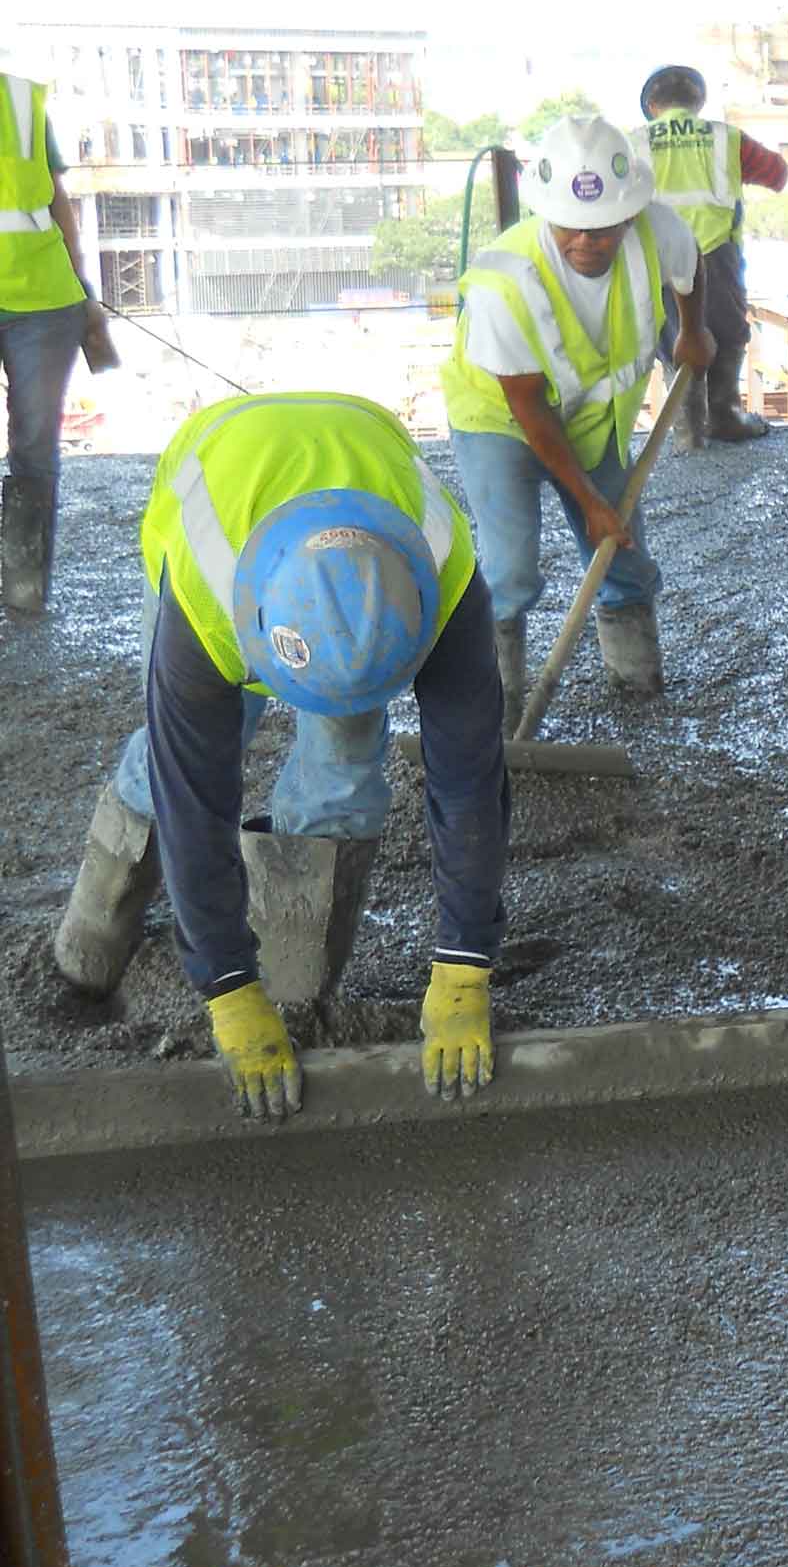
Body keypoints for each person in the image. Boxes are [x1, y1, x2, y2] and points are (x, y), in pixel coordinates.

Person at [51, 391, 510, 1118]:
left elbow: (469, 784)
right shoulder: (201, 598)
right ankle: (93, 936)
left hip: (360, 483)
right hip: (226, 480)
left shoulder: (445, 580)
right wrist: (228, 988)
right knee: (172, 761)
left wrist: (466, 962)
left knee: (346, 770)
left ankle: (297, 990)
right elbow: (196, 799)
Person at [440, 115, 710, 726]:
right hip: (500, 422)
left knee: (622, 549)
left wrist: (694, 332)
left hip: (592, 419)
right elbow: (530, 410)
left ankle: (636, 681)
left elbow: (691, 267)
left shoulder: (654, 229)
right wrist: (589, 501)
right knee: (510, 567)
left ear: (626, 214)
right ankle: (498, 704)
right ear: (544, 212)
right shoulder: (501, 285)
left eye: (602, 229)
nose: (586, 242)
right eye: (571, 228)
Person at [635, 63, 788, 445]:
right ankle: (723, 416)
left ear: (653, 105)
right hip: (716, 251)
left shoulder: (635, 143)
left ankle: (688, 431)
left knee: (672, 334)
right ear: (698, 101)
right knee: (726, 331)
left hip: (658, 256)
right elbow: (777, 174)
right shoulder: (727, 139)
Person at [2, 69, 111, 616]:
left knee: (34, 448)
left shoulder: (19, 101)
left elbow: (56, 200)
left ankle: (24, 593)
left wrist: (83, 286)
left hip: (42, 302)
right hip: (40, 307)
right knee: (33, 448)